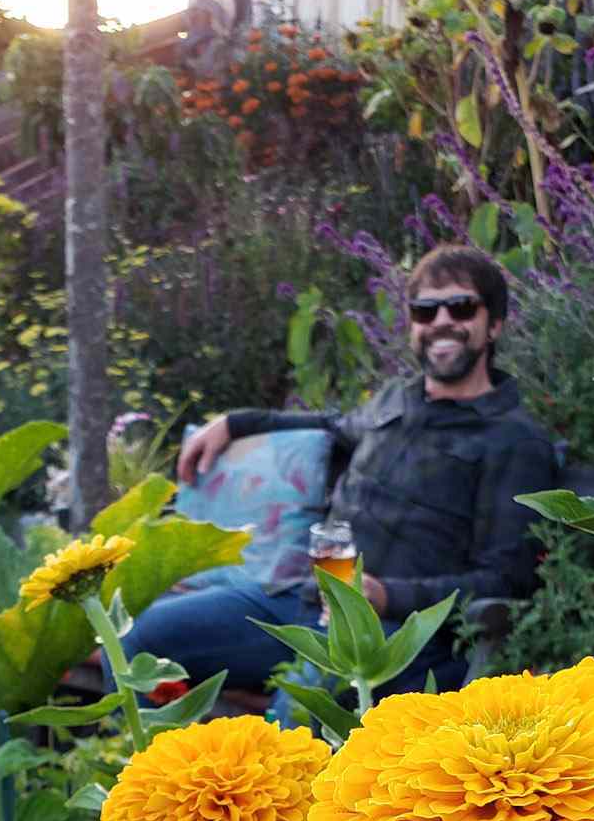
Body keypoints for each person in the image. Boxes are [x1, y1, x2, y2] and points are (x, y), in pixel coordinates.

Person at [119, 245, 558, 700]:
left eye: (461, 307)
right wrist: (235, 423)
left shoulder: (514, 441)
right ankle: (154, 766)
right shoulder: (395, 401)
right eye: (425, 311)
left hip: (395, 636)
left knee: (301, 706)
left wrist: (386, 595)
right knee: (136, 643)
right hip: (308, 602)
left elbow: (506, 582)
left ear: (495, 325)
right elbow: (331, 425)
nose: (441, 320)